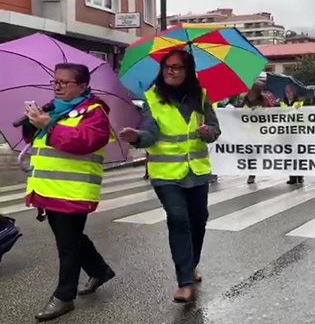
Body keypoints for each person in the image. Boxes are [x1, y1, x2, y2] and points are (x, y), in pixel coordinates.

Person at [119, 50, 221, 303]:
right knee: (178, 220)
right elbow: (150, 133)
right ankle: (184, 281)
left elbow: (215, 129)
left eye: (177, 67)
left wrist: (207, 132)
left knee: (199, 220)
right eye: (167, 67)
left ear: (188, 71)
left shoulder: (201, 95)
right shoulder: (153, 98)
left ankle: (191, 265)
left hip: (196, 171)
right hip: (166, 174)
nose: (171, 72)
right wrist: (137, 137)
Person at [22, 63, 115, 321]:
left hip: (73, 190)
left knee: (67, 244)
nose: (58, 86)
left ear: (83, 86)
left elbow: (84, 141)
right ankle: (100, 269)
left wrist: (49, 125)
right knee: (71, 238)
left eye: (65, 82)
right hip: (50, 188)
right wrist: (33, 122)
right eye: (55, 81)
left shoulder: (94, 113)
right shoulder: (55, 109)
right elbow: (34, 139)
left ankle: (64, 297)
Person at [240, 82, 274, 184]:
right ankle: (252, 174)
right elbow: (238, 112)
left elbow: (269, 113)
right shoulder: (245, 101)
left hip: (260, 133)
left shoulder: (263, 101)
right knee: (252, 155)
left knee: (260, 154)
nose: (251, 94)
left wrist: (259, 111)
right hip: (248, 133)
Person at [280, 85, 305, 185]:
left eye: (290, 92)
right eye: (287, 92)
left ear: (294, 93)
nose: (289, 94)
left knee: (298, 155)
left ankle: (300, 176)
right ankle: (292, 176)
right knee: (289, 155)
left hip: (297, 132)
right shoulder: (282, 103)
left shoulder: (300, 102)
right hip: (287, 133)